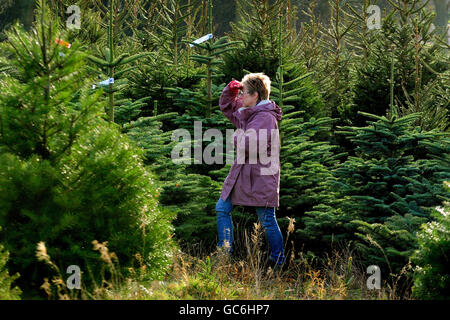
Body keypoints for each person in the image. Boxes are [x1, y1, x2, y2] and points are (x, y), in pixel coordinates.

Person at [216, 72, 285, 267]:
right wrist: (230, 90)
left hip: (261, 178)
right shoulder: (249, 111)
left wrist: (236, 136)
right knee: (222, 208)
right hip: (242, 174)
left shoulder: (265, 117)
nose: (241, 97)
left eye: (244, 93)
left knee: (267, 220)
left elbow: (250, 145)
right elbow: (227, 106)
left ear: (255, 95)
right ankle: (225, 253)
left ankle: (278, 262)